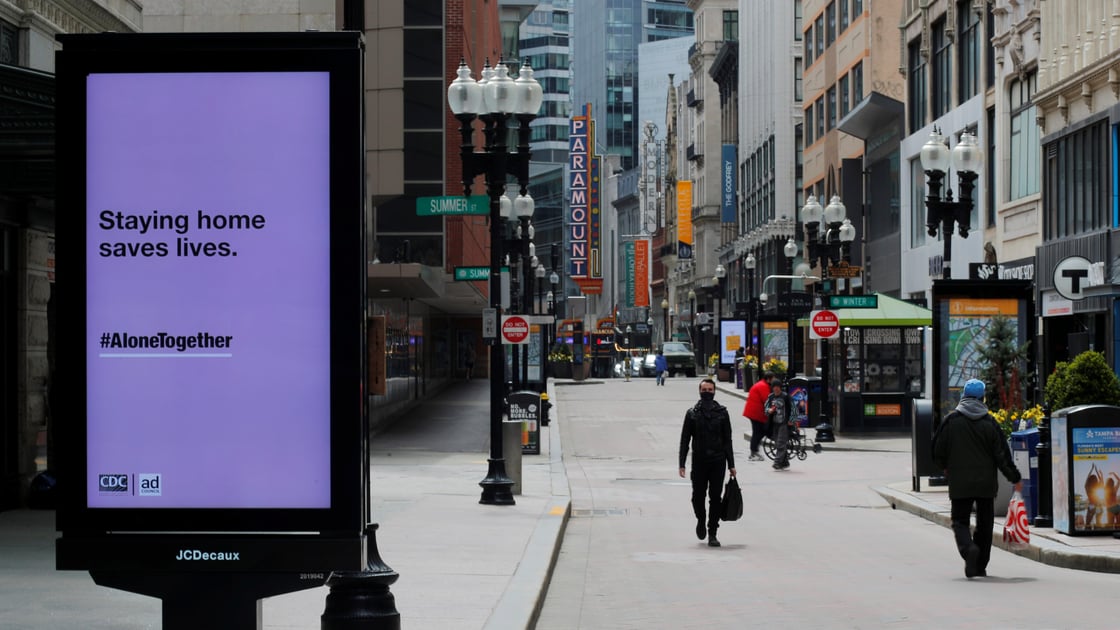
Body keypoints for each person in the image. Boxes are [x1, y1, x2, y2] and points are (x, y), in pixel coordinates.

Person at [932, 378, 1023, 579]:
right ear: (983, 398)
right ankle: (980, 565)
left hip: (959, 482)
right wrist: (1014, 477)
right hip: (986, 484)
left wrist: (945, 467)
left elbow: (937, 450)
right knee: (985, 524)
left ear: (963, 396)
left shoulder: (951, 421)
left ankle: (968, 550)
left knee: (960, 521)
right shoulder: (990, 423)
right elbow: (1002, 456)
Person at [679, 378, 736, 547]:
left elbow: (728, 441)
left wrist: (731, 465)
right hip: (699, 461)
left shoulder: (723, 413)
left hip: (718, 461)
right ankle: (701, 519)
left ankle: (713, 532)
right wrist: (681, 463)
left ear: (715, 391)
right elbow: (685, 440)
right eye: (704, 390)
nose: (707, 393)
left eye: (710, 390)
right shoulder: (692, 413)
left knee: (715, 498)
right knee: (697, 496)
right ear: (699, 391)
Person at [742, 371, 775, 462]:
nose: (774, 381)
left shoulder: (762, 384)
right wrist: (775, 407)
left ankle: (754, 451)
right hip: (755, 413)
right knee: (758, 432)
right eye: (773, 379)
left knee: (759, 431)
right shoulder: (763, 386)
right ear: (768, 379)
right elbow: (767, 400)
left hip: (755, 412)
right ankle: (753, 452)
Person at [765, 381, 794, 470]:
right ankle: (784, 462)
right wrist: (768, 411)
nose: (776, 389)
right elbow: (766, 407)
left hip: (784, 423)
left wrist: (791, 420)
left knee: (781, 442)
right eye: (774, 387)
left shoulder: (786, 396)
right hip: (774, 423)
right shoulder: (770, 397)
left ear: (780, 387)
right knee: (777, 442)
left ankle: (777, 462)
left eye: (778, 387)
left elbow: (794, 408)